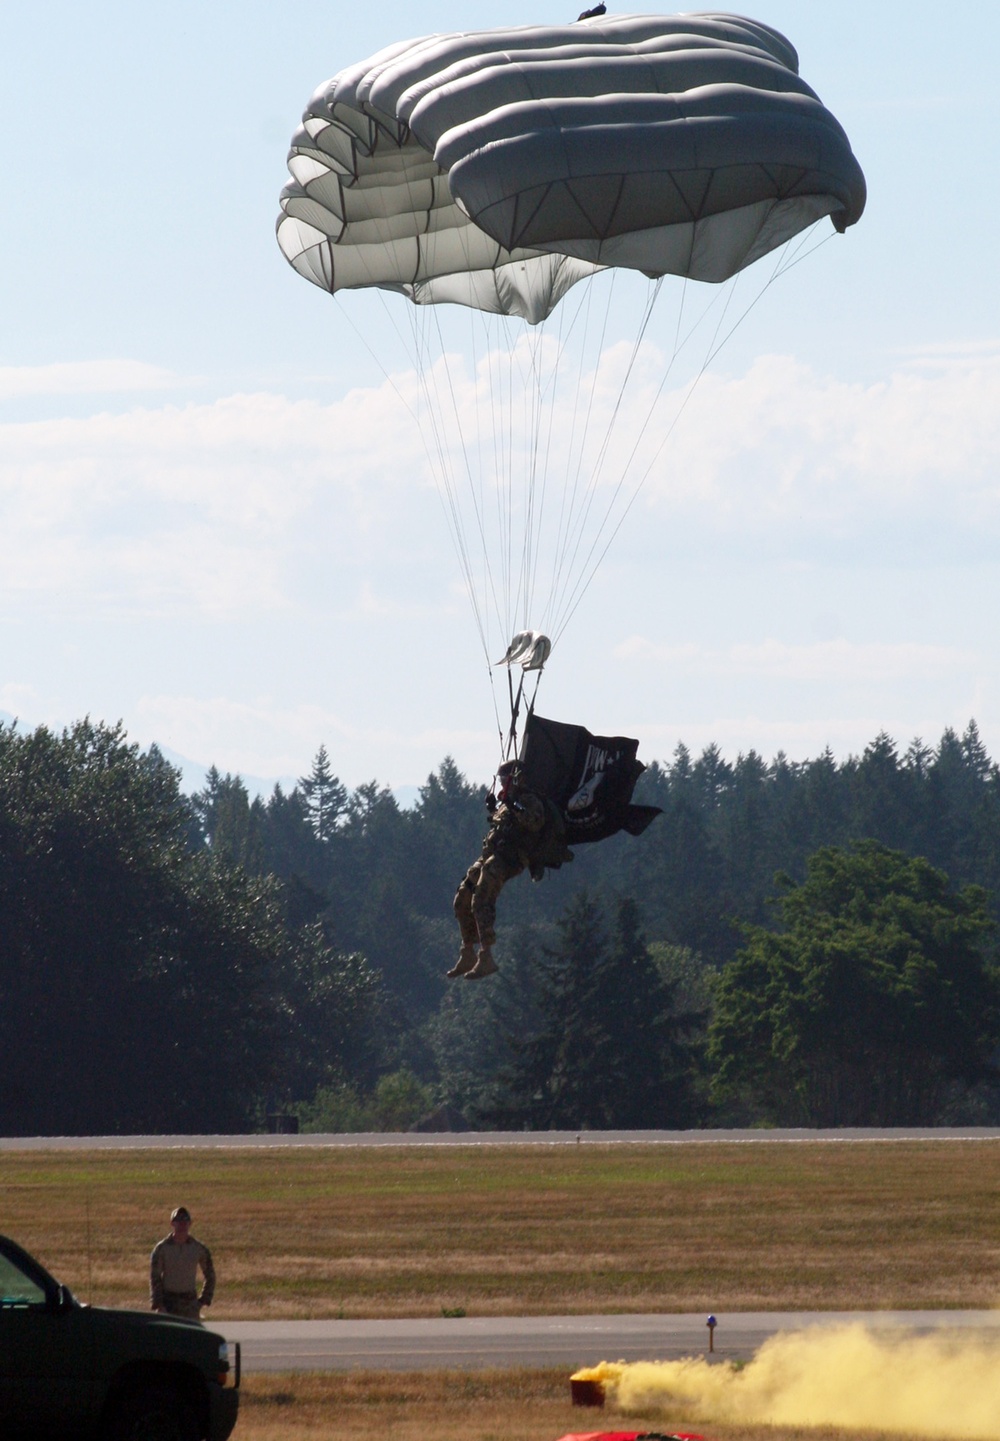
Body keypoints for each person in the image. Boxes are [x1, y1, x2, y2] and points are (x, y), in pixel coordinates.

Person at [451, 760, 571, 980]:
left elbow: (534, 821)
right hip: (491, 855)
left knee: (481, 898)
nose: (503, 784)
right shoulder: (508, 803)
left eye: (505, 779)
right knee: (462, 897)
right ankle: (467, 951)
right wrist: (494, 808)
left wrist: (513, 804)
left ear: (517, 778)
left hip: (510, 859)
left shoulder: (530, 801)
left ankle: (486, 956)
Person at [150, 1206, 216, 1321]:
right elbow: (155, 1278)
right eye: (178, 1221)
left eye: (185, 1221)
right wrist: (159, 1305)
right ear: (172, 1223)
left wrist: (203, 1300)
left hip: (190, 1304)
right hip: (168, 1303)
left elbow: (210, 1275)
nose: (182, 1225)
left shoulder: (198, 1248)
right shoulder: (162, 1249)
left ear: (190, 1223)